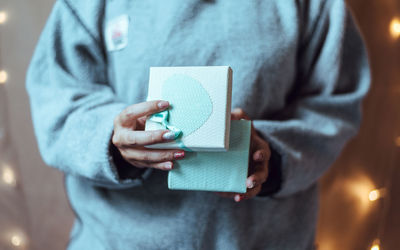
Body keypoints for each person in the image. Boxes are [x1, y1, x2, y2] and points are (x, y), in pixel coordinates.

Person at [26, 0, 370, 249]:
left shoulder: (315, 5)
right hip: (115, 239)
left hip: (263, 238)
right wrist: (112, 139)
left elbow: (335, 104)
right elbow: (56, 97)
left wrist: (273, 155)